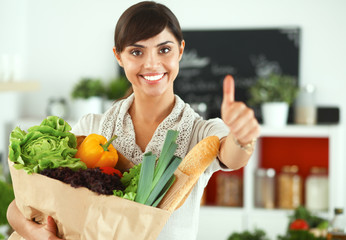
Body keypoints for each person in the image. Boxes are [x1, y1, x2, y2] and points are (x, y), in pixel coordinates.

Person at [7, 1, 260, 239]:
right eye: (137, 51)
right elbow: (22, 203)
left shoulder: (199, 132)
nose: (151, 63)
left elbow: (232, 155)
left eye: (164, 49)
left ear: (180, 51)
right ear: (119, 56)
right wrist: (34, 232)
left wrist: (242, 138)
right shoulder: (92, 128)